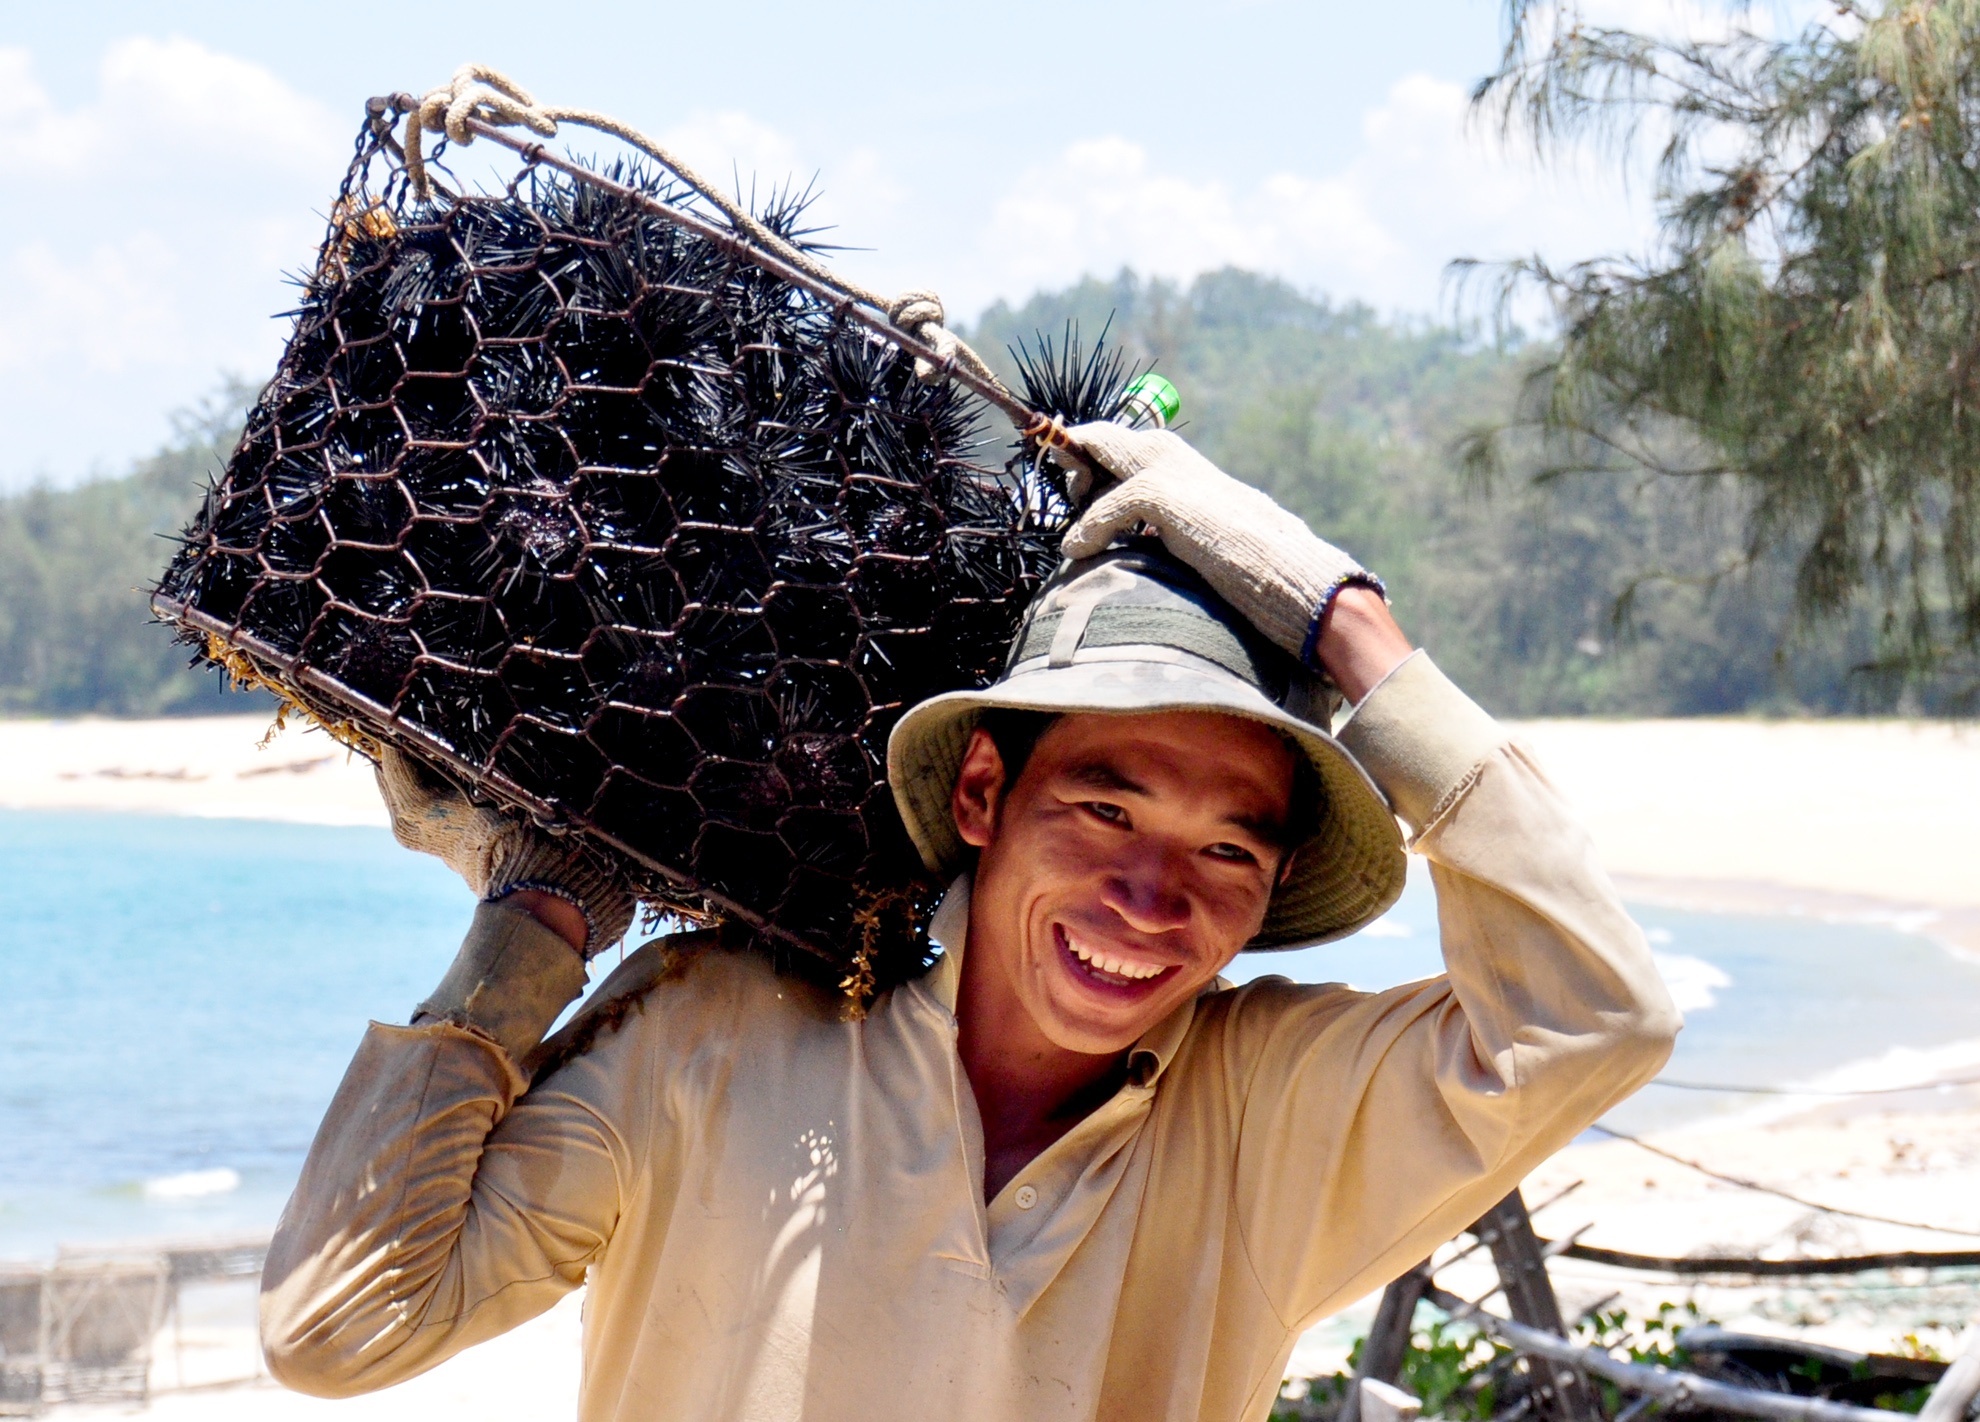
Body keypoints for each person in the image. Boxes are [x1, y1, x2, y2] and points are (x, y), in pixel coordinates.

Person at [260, 423, 1680, 1422]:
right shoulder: (715, 1033)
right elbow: (338, 1326)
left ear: (1270, 887)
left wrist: (1347, 619)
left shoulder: (1266, 1116)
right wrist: (536, 915)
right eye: (1107, 812)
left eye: (1228, 847)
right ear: (989, 790)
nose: (1150, 900)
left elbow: (1600, 1015)